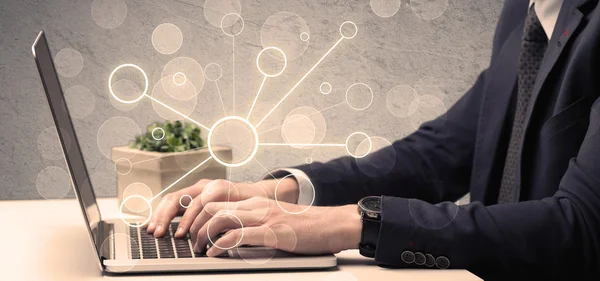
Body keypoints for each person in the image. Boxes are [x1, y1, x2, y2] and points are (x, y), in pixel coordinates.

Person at [148, 0, 600, 279]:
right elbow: (436, 156)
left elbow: (581, 228)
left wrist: (356, 223)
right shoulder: (530, 9)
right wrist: (276, 191)